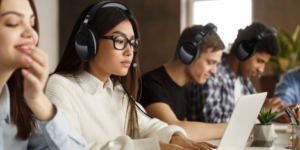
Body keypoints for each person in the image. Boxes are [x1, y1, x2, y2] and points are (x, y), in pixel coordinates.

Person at [45, 2, 216, 150]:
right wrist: (154, 147)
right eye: (120, 41)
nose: (130, 51)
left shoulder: (117, 90)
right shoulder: (60, 85)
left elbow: (150, 126)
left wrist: (175, 138)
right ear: (88, 43)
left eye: (133, 43)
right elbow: (70, 147)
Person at [0, 0, 88, 149]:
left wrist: (37, 99)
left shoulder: (18, 102)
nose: (32, 34)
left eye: (32, 24)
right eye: (13, 23)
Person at [139, 25, 228, 141]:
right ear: (189, 53)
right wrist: (236, 126)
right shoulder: (150, 84)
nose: (214, 71)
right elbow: (176, 130)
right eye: (211, 62)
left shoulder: (185, 89)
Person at [188, 22, 284, 124]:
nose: (261, 70)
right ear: (244, 51)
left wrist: (278, 115)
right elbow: (213, 119)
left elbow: (256, 111)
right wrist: (260, 112)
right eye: (259, 61)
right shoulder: (211, 73)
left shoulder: (244, 80)